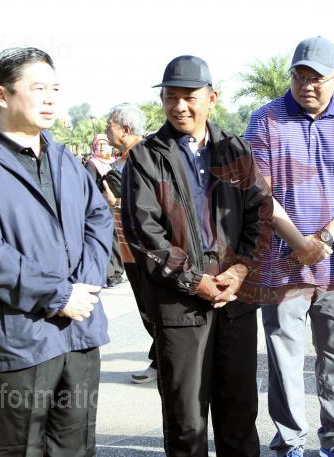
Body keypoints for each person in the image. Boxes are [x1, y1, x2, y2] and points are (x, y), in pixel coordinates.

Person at [0, 47, 113, 456]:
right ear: (1, 95)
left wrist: (84, 286)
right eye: (38, 88)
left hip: (79, 336)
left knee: (76, 448)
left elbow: (98, 219)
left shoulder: (66, 161)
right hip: (17, 343)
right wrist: (59, 295)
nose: (50, 98)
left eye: (55, 88)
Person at [121, 55, 272, 456]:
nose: (180, 106)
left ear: (212, 98)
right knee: (186, 423)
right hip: (179, 304)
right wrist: (192, 280)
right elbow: (144, 233)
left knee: (239, 416)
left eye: (189, 97)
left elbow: (260, 213)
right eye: (171, 97)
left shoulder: (235, 149)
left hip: (235, 300)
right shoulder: (146, 157)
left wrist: (241, 270)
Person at [245, 36, 334, 457]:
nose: (307, 85)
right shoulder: (265, 119)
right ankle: (290, 442)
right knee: (284, 354)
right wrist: (300, 243)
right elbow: (259, 191)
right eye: (299, 76)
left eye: (317, 78)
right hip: (280, 264)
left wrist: (324, 238)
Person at [102, 103, 157, 383]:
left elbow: (152, 206)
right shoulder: (123, 160)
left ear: (125, 129)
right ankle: (162, 361)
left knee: (153, 310)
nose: (105, 129)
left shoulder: (145, 156)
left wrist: (115, 203)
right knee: (147, 310)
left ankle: (162, 363)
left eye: (109, 124)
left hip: (146, 250)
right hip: (129, 250)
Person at [85, 133, 125, 287]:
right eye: (99, 144)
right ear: (94, 147)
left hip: (115, 206)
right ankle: (109, 275)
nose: (102, 147)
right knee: (106, 240)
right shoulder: (92, 164)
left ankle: (118, 272)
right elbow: (89, 187)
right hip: (102, 208)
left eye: (105, 144)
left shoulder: (113, 163)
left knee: (117, 239)